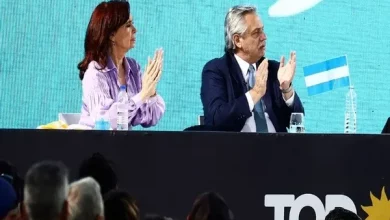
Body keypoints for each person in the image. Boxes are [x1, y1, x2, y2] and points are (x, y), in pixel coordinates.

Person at [200, 5, 304, 132]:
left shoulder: (273, 70)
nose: (264, 37)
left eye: (263, 30)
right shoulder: (216, 70)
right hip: (236, 149)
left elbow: (297, 122)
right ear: (238, 40)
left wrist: (286, 89)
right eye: (256, 33)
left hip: (277, 149)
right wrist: (255, 93)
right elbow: (216, 119)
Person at [77, 0, 165, 129]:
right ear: (112, 34)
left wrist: (151, 91)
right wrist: (142, 94)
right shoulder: (95, 73)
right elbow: (105, 120)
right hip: (96, 146)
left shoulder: (134, 68)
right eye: (128, 25)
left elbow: (150, 118)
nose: (135, 30)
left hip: (123, 145)